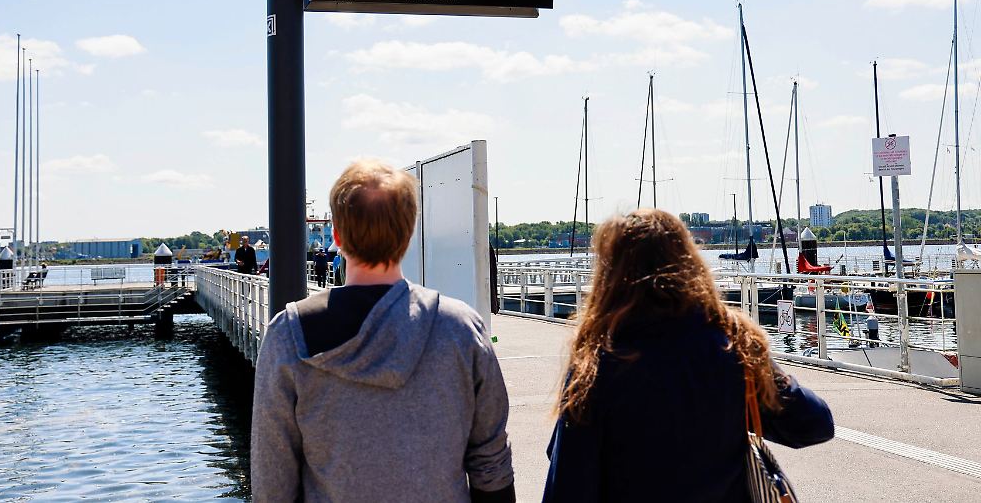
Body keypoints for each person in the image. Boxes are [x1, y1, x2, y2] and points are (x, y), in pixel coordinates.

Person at [251, 160, 515, 503]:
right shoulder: (460, 328)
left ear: (337, 236)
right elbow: (491, 466)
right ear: (408, 231)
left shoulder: (290, 334)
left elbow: (273, 481)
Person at [543, 209, 834, 502]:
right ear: (689, 263)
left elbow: (567, 487)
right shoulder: (733, 349)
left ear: (610, 275)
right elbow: (815, 424)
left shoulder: (597, 365)